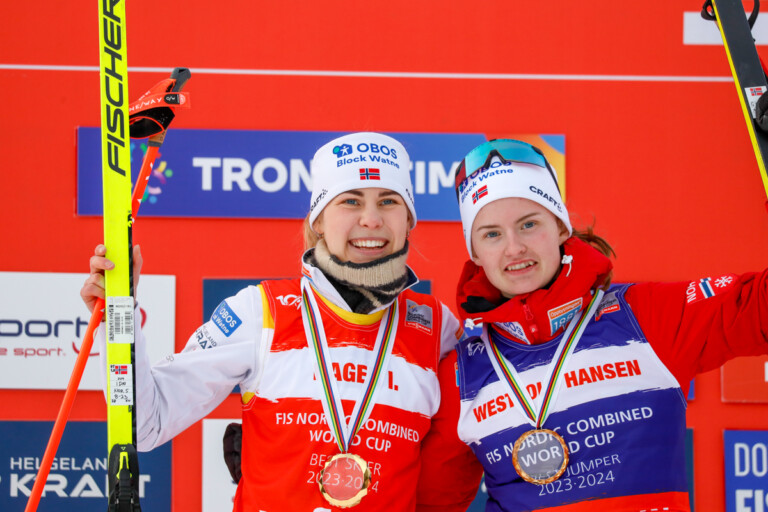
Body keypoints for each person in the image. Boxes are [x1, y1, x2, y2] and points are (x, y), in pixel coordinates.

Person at [81, 132, 464, 511]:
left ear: (409, 218)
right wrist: (118, 313)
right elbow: (147, 423)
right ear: (318, 219)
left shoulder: (437, 328)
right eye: (350, 201)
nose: (371, 219)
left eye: (388, 201)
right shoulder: (259, 312)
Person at [416, 139, 768, 512]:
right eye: (492, 234)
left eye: (529, 224)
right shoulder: (463, 374)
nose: (514, 247)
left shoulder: (646, 316)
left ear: (560, 226)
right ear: (474, 252)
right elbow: (428, 504)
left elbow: (756, 308)